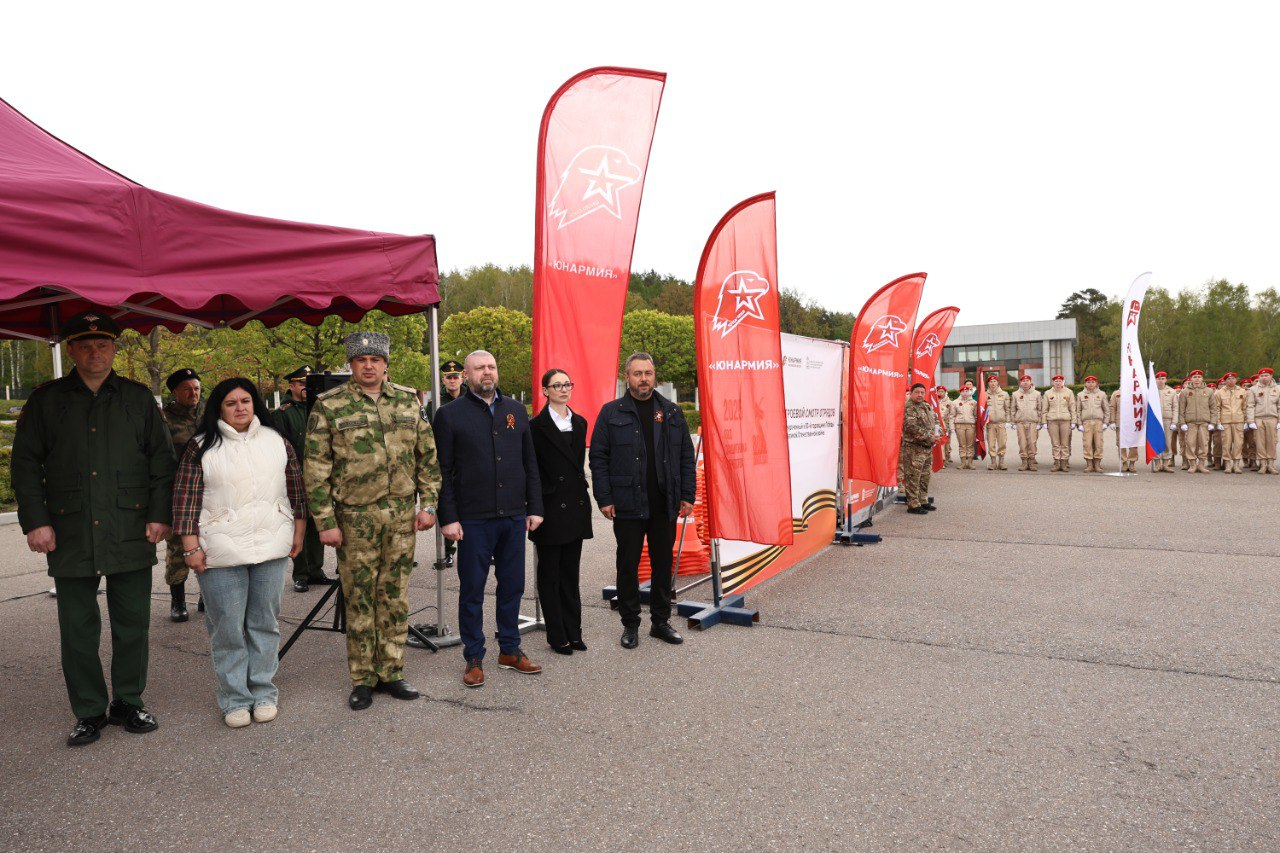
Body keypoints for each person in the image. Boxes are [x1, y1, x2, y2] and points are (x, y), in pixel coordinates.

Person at [11, 309, 175, 747]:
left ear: (114, 348)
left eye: (102, 344)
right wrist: (36, 522)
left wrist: (160, 514)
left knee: (132, 623)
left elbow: (162, 461)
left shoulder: (138, 398)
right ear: (72, 351)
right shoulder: (47, 401)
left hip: (130, 525)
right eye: (85, 346)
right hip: (70, 530)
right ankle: (88, 711)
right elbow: (25, 464)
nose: (94, 353)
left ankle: (128, 701)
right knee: (78, 629)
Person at [305, 332, 441, 710]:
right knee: (360, 598)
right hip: (355, 518)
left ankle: (392, 671)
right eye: (361, 359)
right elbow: (315, 468)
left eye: (375, 359)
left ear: (385, 363)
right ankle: (363, 677)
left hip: (400, 516)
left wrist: (429, 505)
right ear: (351, 364)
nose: (368, 365)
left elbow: (428, 458)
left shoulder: (408, 401)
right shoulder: (329, 405)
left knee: (394, 596)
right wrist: (325, 521)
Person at [172, 379, 307, 728]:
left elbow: (297, 489)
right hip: (219, 551)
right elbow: (185, 500)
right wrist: (190, 547)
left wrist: (299, 531)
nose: (240, 408)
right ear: (218, 408)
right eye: (231, 403)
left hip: (271, 545)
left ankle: (263, 692)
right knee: (228, 629)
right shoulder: (201, 446)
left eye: (245, 401)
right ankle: (234, 698)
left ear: (255, 403)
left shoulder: (277, 441)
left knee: (264, 624)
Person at [435, 350, 544, 687]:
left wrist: (535, 507)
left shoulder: (516, 410)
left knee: (513, 585)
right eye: (480, 368)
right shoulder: (449, 415)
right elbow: (442, 471)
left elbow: (529, 462)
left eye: (492, 367)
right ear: (466, 375)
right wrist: (448, 517)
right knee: (472, 590)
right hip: (473, 519)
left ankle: (509, 649)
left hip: (513, 515)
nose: (487, 372)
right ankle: (474, 656)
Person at [589, 353, 696, 650]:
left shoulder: (671, 412)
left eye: (648, 373)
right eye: (637, 374)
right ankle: (630, 624)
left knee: (663, 565)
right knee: (628, 566)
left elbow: (686, 456)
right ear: (627, 377)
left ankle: (660, 622)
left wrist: (687, 495)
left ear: (654, 376)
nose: (644, 379)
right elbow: (598, 457)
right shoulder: (611, 413)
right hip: (627, 503)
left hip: (664, 503)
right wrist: (604, 497)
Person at [529, 369, 593, 655]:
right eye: (557, 385)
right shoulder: (535, 427)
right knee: (550, 575)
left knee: (570, 574)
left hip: (575, 506)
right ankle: (557, 635)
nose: (564, 389)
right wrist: (534, 507)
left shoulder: (579, 422)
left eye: (567, 384)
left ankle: (574, 631)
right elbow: (531, 471)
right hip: (550, 509)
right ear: (545, 391)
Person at [272, 365, 329, 592]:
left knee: (318, 523)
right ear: (292, 386)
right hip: (295, 478)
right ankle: (301, 573)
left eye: (309, 384)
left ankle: (316, 570)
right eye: (302, 383)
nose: (306, 388)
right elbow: (280, 449)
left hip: (319, 476)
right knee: (299, 524)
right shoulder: (283, 413)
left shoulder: (318, 408)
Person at [161, 367, 204, 622]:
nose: (193, 393)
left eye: (196, 388)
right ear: (175, 392)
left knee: (208, 543)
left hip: (208, 492)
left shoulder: (209, 415)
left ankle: (206, 595)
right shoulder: (165, 420)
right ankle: (178, 601)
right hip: (180, 493)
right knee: (178, 548)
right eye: (187, 389)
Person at [899, 383, 939, 514]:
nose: (920, 395)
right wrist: (929, 437)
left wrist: (937, 434)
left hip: (926, 447)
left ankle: (923, 500)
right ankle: (913, 504)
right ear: (911, 393)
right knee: (913, 477)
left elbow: (935, 420)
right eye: (917, 392)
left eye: (922, 392)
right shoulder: (909, 407)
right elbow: (911, 427)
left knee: (925, 476)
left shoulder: (926, 405)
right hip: (913, 448)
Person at [1178, 369, 1217, 474]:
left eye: (1199, 377)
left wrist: (1213, 422)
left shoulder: (1209, 391)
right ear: (1191, 379)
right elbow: (1181, 409)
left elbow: (1213, 408)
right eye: (1194, 377)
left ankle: (1201, 464)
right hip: (1191, 423)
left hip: (1204, 423)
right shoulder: (1185, 391)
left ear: (1202, 378)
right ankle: (1192, 464)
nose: (1197, 379)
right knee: (1190, 444)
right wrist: (1182, 423)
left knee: (1204, 444)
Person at [1247, 367, 1279, 474]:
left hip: (1272, 418)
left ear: (1271, 376)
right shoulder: (1253, 389)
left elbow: (1279, 406)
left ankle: (1271, 464)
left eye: (1266, 375)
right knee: (1259, 442)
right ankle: (1263, 464)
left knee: (1272, 441)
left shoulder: (1277, 389)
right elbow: (1250, 405)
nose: (1264, 377)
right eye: (1261, 376)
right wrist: (1250, 421)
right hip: (1259, 418)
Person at [1042, 374, 1077, 472]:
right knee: (1055, 443)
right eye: (1056, 381)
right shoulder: (1048, 393)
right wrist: (1044, 421)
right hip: (1052, 421)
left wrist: (1073, 421)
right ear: (1053, 382)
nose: (1058, 383)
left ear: (1063, 382)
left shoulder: (1069, 392)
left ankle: (1064, 463)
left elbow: (1072, 408)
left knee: (1065, 443)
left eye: (1060, 381)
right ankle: (1057, 462)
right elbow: (1044, 409)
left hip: (1065, 420)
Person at [1076, 376, 1109, 473]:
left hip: (1098, 422)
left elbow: (1106, 409)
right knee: (1087, 444)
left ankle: (1097, 464)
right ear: (1085, 384)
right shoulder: (1080, 395)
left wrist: (1106, 422)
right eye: (1088, 382)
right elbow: (1078, 410)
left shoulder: (1102, 394)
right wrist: (1079, 423)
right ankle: (1089, 464)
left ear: (1096, 383)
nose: (1090, 384)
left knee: (1098, 444)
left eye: (1093, 382)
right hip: (1086, 422)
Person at [1011, 375, 1043, 471]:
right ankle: (1024, 462)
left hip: (1032, 422)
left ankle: (1031, 462)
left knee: (1032, 442)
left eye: (1027, 380)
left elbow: (1040, 409)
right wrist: (1013, 422)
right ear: (1021, 383)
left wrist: (1040, 422)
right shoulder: (1015, 394)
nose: (1025, 382)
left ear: (1030, 382)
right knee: (1022, 443)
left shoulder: (1037, 394)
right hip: (1020, 422)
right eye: (1023, 380)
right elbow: (1013, 409)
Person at [1109, 387, 1139, 473]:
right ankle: (1124, 463)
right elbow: (1112, 408)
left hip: (1133, 422)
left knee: (1133, 444)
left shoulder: (1136, 392)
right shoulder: (1116, 393)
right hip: (1120, 422)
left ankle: (1132, 462)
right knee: (1121, 444)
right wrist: (1112, 421)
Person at [983, 376, 1011, 470]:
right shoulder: (984, 395)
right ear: (988, 384)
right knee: (991, 444)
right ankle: (993, 462)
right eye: (991, 382)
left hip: (1001, 423)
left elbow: (1007, 409)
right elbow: (982, 410)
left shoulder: (1004, 394)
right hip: (990, 424)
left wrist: (1008, 421)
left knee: (1002, 443)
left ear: (998, 383)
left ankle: (1001, 462)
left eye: (995, 381)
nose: (993, 383)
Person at [1153, 372, 1178, 473]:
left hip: (1167, 419)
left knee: (1167, 442)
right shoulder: (1151, 391)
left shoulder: (1171, 391)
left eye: (1163, 378)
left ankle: (1166, 464)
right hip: (1155, 420)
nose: (1161, 380)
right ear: (1155, 380)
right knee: (1156, 442)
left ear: (1166, 380)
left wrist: (1174, 422)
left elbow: (1175, 407)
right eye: (1159, 379)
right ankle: (1157, 464)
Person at [951, 383, 977, 469]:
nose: (965, 393)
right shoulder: (955, 402)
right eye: (963, 391)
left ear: (969, 392)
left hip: (971, 425)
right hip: (959, 425)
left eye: (967, 391)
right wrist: (952, 427)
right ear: (960, 392)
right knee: (962, 445)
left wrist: (978, 426)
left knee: (970, 445)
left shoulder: (974, 402)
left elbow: (976, 416)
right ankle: (963, 463)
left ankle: (970, 463)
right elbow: (952, 416)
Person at [934, 385, 954, 467]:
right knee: (939, 442)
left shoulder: (949, 402)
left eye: (942, 391)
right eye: (939, 391)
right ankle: (941, 460)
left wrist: (951, 427)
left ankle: (946, 457)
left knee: (946, 443)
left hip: (945, 425)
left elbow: (951, 414)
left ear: (945, 392)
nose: (940, 393)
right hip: (936, 424)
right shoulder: (934, 401)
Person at [1207, 380, 1224, 469]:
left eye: (1213, 388)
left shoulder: (1220, 394)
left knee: (1219, 442)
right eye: (1221, 384)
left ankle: (1222, 461)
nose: (1212, 390)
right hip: (1207, 420)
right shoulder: (1206, 394)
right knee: (1207, 442)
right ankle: (1210, 460)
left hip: (1219, 421)